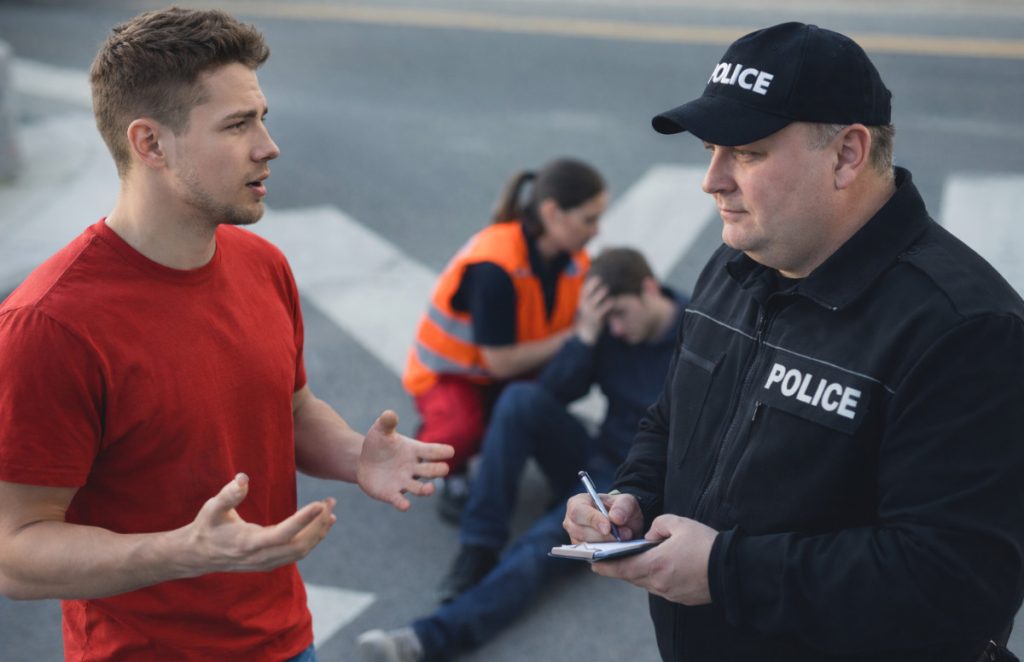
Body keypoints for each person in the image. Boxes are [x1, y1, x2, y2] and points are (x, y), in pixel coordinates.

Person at [0, 8, 452, 661]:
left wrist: (357, 455)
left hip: (288, 641)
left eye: (261, 117)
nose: (268, 145)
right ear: (150, 144)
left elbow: (290, 410)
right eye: (238, 125)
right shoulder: (49, 327)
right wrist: (184, 552)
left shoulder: (262, 264)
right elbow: (15, 554)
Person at [564, 21, 1024, 662]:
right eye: (711, 150)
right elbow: (671, 421)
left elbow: (952, 586)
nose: (712, 180)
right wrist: (630, 501)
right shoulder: (735, 265)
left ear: (847, 155)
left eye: (747, 154)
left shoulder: (964, 328)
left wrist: (725, 570)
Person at [357, 247, 687, 661]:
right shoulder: (608, 328)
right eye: (609, 320)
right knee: (519, 400)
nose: (616, 329)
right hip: (600, 452)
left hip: (633, 486)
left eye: (620, 314)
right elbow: (554, 392)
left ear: (649, 289)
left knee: (541, 543)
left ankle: (427, 639)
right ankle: (479, 546)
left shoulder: (696, 337)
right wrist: (585, 336)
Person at [402, 158, 607, 522]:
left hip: (513, 371)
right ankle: (451, 462)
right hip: (453, 376)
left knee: (543, 403)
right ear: (553, 213)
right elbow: (500, 363)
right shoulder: (494, 267)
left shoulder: (573, 259)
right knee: (463, 430)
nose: (596, 231)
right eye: (588, 219)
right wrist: (573, 336)